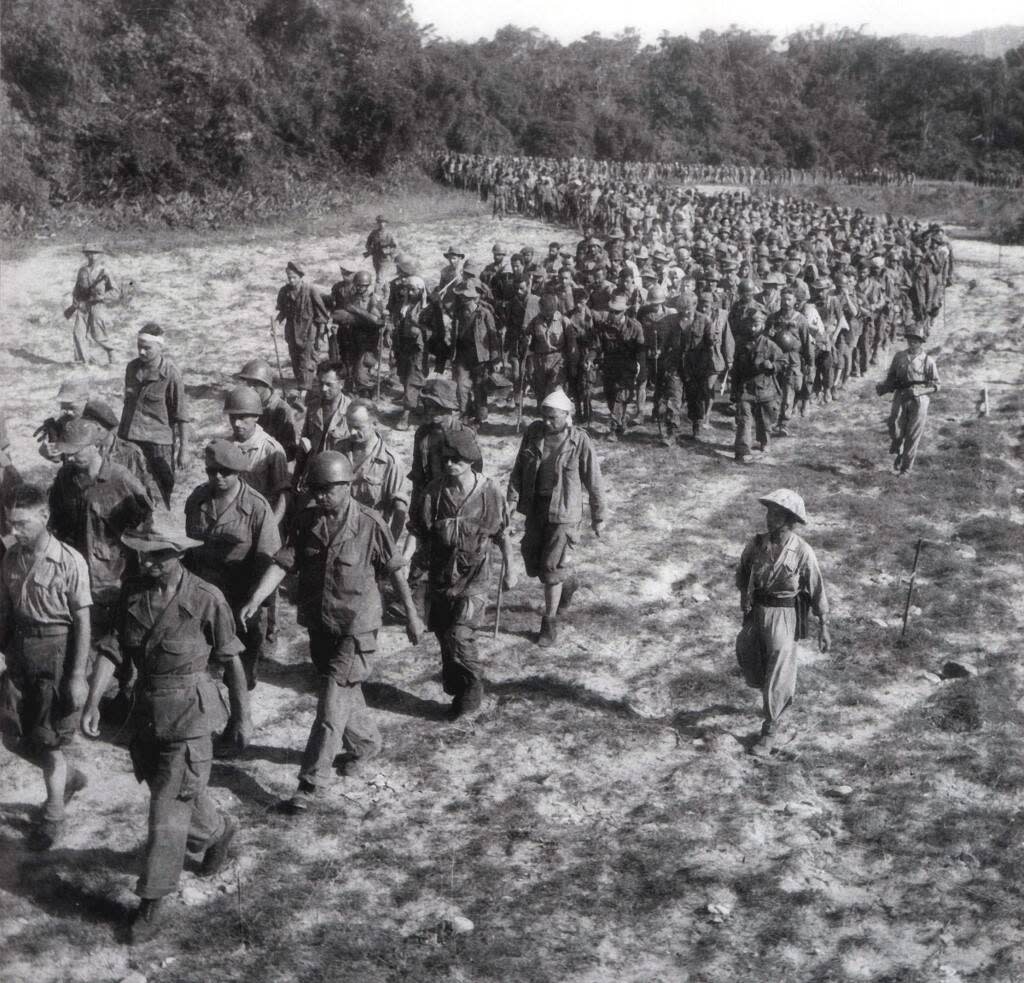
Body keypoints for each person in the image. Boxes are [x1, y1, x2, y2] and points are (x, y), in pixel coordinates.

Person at [82, 514, 251, 942]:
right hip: (147, 716)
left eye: (158, 556)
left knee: (165, 809)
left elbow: (231, 659)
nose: (148, 563)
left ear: (179, 554)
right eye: (143, 555)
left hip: (191, 716)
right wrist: (91, 701)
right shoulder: (133, 593)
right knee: (174, 792)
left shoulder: (207, 598)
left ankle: (152, 898)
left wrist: (241, 717)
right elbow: (113, 648)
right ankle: (218, 831)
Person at [239, 452, 424, 814]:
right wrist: (256, 598)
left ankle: (311, 783)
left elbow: (396, 571)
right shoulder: (307, 520)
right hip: (321, 624)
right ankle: (366, 743)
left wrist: (412, 617)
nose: (320, 496)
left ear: (347, 486)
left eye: (328, 490)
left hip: (357, 627)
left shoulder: (370, 523)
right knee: (340, 689)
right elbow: (284, 562)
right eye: (316, 489)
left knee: (330, 701)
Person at [0, 483, 91, 850]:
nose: (14, 531)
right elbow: (5, 609)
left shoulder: (69, 560)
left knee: (49, 740)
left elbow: (83, 621)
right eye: (10, 523)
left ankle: (54, 815)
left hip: (56, 654)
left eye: (22, 523)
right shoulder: (10, 558)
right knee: (11, 735)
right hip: (19, 652)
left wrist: (77, 676)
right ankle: (66, 777)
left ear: (44, 516)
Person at [409, 429, 514, 718]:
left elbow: (502, 534)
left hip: (475, 579)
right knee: (443, 635)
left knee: (459, 635)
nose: (449, 464)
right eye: (445, 459)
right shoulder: (434, 492)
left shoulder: (489, 491)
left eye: (456, 459)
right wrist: (414, 572)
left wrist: (510, 569)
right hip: (442, 577)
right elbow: (421, 535)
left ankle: (473, 687)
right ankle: (458, 688)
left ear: (470, 460)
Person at [46, 418, 152, 696]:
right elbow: (56, 523)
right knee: (84, 638)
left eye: (77, 450)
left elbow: (145, 529)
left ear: (96, 446)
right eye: (67, 451)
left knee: (119, 642)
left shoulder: (121, 480)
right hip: (76, 577)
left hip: (116, 578)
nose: (70, 456)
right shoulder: (65, 478)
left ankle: (122, 694)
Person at [183, 440, 281, 735]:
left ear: (238, 472)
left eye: (225, 472)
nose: (218, 477)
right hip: (203, 597)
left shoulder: (256, 507)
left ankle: (238, 722)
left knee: (240, 669)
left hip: (241, 600)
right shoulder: (198, 499)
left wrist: (259, 605)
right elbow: (189, 548)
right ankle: (207, 721)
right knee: (201, 663)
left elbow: (270, 562)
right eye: (212, 471)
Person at [735, 488, 830, 758]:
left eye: (776, 513)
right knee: (746, 651)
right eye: (768, 511)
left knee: (779, 668)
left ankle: (770, 728)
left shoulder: (802, 550)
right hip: (757, 611)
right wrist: (745, 594)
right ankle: (768, 693)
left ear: (789, 519)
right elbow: (742, 571)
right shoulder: (756, 544)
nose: (769, 518)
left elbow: (816, 588)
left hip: (784, 613)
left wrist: (824, 625)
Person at [507, 388, 605, 646]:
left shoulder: (579, 440)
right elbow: (518, 468)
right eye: (545, 416)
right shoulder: (533, 433)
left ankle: (548, 624)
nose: (548, 422)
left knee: (550, 568)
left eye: (554, 418)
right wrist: (512, 499)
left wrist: (598, 515)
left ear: (567, 416)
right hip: (536, 508)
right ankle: (568, 583)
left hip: (564, 513)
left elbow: (594, 479)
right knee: (533, 560)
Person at [118, 324, 188, 508]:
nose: (141, 351)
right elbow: (128, 404)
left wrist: (184, 450)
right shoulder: (132, 368)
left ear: (160, 347)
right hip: (131, 438)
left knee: (162, 488)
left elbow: (181, 415)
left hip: (159, 443)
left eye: (147, 347)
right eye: (139, 346)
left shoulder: (171, 374)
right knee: (130, 487)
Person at [334, 400, 410, 542]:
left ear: (375, 424)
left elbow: (400, 512)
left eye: (358, 427)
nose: (352, 432)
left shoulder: (390, 462)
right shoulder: (339, 449)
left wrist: (389, 547)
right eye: (349, 426)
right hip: (337, 531)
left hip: (369, 537)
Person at [875, 327, 939, 475]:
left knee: (912, 434)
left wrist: (921, 391)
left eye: (915, 340)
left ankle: (906, 469)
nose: (912, 342)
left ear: (921, 342)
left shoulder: (928, 361)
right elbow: (891, 376)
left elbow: (937, 385)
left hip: (919, 400)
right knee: (893, 423)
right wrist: (885, 386)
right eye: (910, 339)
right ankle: (898, 446)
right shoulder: (899, 356)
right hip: (901, 395)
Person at [223, 388, 290, 524]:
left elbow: (284, 495)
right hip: (233, 519)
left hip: (262, 519)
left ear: (256, 417)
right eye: (233, 417)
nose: (236, 423)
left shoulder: (271, 449)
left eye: (242, 417)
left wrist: (272, 526)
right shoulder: (225, 446)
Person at [730, 308, 782, 463]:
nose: (753, 328)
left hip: (764, 388)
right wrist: (734, 391)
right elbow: (736, 370)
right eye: (751, 324)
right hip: (745, 389)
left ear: (763, 326)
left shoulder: (769, 345)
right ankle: (742, 450)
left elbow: (782, 361)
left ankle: (764, 441)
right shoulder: (741, 345)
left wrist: (772, 366)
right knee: (744, 419)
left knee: (765, 419)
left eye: (756, 325)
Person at [451, 281, 501, 424]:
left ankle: (479, 417)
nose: (463, 299)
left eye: (466, 297)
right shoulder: (458, 313)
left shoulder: (485, 314)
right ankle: (465, 414)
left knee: (480, 389)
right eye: (462, 297)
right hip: (462, 357)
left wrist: (495, 359)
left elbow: (493, 337)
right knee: (461, 388)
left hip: (481, 358)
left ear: (473, 298)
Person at [276, 261, 329, 396]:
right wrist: (276, 324)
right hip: (291, 331)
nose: (291, 280)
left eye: (294, 277)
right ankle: (301, 383)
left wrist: (321, 331)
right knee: (294, 357)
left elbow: (321, 312)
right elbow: (282, 312)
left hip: (309, 330)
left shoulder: (310, 290)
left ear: (300, 277)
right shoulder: (284, 291)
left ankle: (306, 388)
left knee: (307, 358)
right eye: (289, 277)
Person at [595, 293, 643, 441]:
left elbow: (641, 350)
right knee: (610, 397)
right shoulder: (604, 327)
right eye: (612, 311)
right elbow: (597, 346)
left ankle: (613, 429)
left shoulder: (634, 326)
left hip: (627, 368)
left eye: (617, 312)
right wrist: (591, 359)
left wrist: (642, 371)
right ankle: (621, 421)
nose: (614, 314)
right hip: (609, 367)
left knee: (620, 397)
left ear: (624, 311)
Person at [294, 361, 351, 483]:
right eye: (320, 383)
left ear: (341, 384)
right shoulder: (313, 407)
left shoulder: (350, 412)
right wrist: (296, 478)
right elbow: (304, 446)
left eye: (329, 384)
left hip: (338, 477)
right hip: (313, 471)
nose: (323, 389)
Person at [235, 359, 300, 462]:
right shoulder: (246, 405)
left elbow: (290, 452)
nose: (250, 388)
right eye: (248, 383)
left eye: (255, 383)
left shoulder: (282, 410)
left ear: (267, 384)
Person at [67, 244, 116, 365]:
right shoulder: (82, 270)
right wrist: (75, 301)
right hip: (83, 306)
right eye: (89, 253)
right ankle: (82, 361)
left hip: (97, 306)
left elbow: (115, 291)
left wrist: (102, 297)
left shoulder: (105, 272)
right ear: (86, 255)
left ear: (100, 255)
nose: (92, 256)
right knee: (78, 333)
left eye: (95, 253)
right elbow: (77, 288)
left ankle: (111, 352)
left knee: (98, 335)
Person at [364, 215, 398, 282]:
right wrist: (370, 250)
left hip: (385, 259)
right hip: (376, 258)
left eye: (383, 222)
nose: (381, 224)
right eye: (379, 222)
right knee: (379, 276)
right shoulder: (374, 233)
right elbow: (367, 244)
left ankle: (378, 291)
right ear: (377, 223)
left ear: (386, 223)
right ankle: (384, 290)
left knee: (380, 278)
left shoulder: (389, 234)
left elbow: (395, 246)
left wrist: (387, 251)